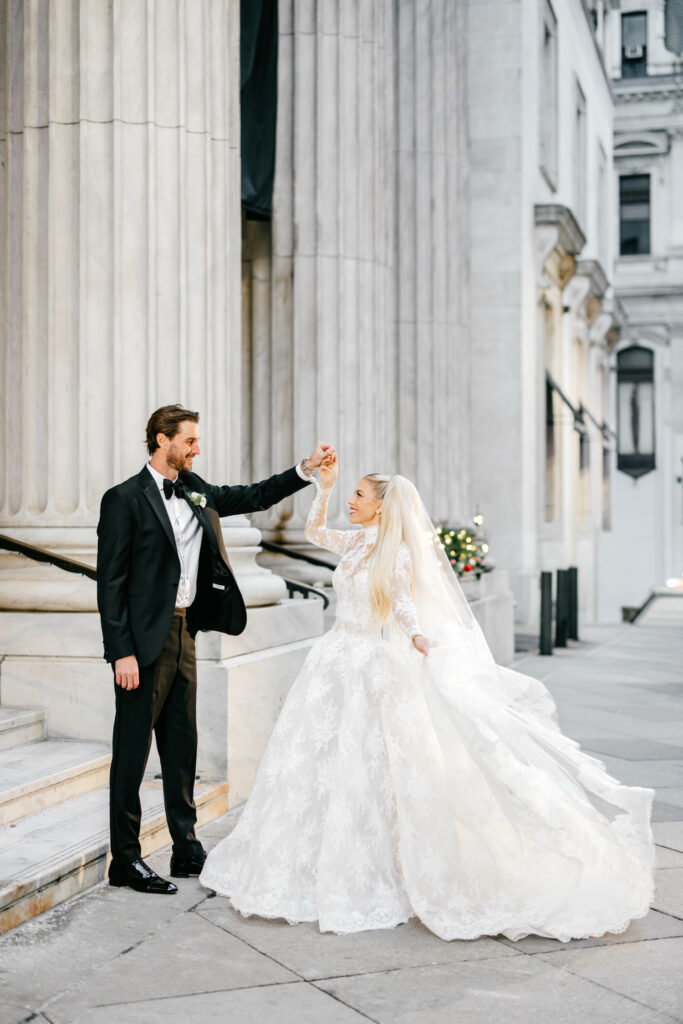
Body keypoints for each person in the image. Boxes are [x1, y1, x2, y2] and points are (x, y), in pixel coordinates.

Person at [199, 452, 656, 942]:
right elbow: (313, 532)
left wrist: (417, 637)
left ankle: (383, 863)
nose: (351, 502)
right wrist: (324, 488)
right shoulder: (352, 542)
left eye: (358, 495)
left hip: (371, 663)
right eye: (351, 494)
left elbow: (401, 604)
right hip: (333, 661)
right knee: (320, 762)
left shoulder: (393, 554)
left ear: (380, 506)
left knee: (372, 766)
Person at [96, 403, 334, 894]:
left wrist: (305, 470)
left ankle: (186, 847)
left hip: (185, 634)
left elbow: (252, 496)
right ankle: (126, 859)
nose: (196, 448)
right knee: (132, 753)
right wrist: (120, 651)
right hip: (141, 644)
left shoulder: (194, 488)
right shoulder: (123, 499)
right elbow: (111, 584)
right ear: (162, 440)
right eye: (189, 440)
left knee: (182, 747)